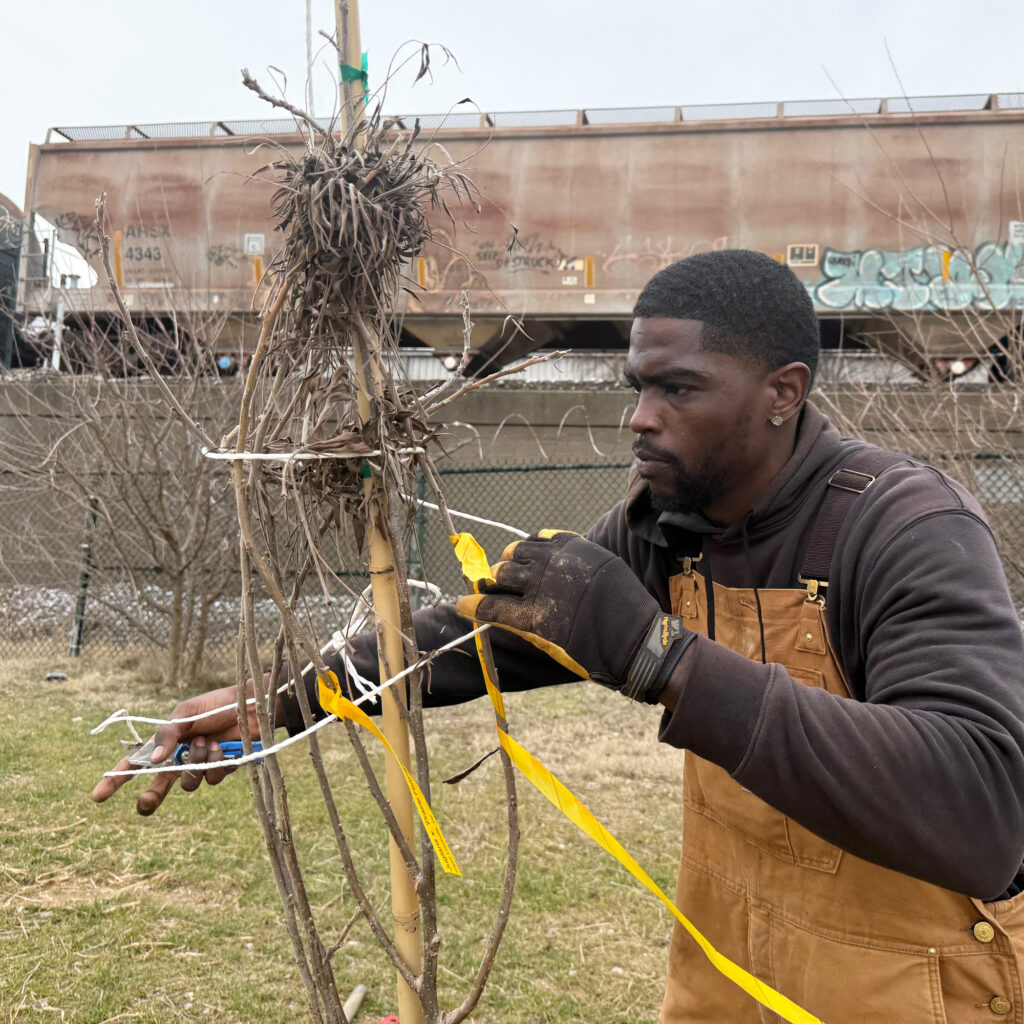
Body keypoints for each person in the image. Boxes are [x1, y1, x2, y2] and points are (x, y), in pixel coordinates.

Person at [94, 250, 1024, 1023]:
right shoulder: (667, 521)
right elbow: (481, 636)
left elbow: (982, 806)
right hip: (729, 973)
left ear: (784, 392)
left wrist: (661, 660)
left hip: (913, 982)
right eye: (637, 386)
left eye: (679, 389)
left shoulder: (901, 527)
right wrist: (283, 701)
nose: (641, 417)